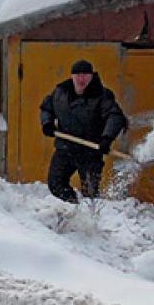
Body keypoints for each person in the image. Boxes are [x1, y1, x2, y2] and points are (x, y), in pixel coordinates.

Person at [39, 59, 127, 203]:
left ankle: (91, 218)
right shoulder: (60, 92)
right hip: (65, 147)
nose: (81, 79)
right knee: (56, 184)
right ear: (72, 76)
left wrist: (107, 138)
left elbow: (115, 116)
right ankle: (73, 209)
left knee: (90, 191)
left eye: (86, 75)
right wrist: (47, 123)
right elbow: (46, 108)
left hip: (90, 151)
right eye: (78, 75)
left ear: (92, 76)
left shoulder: (102, 95)